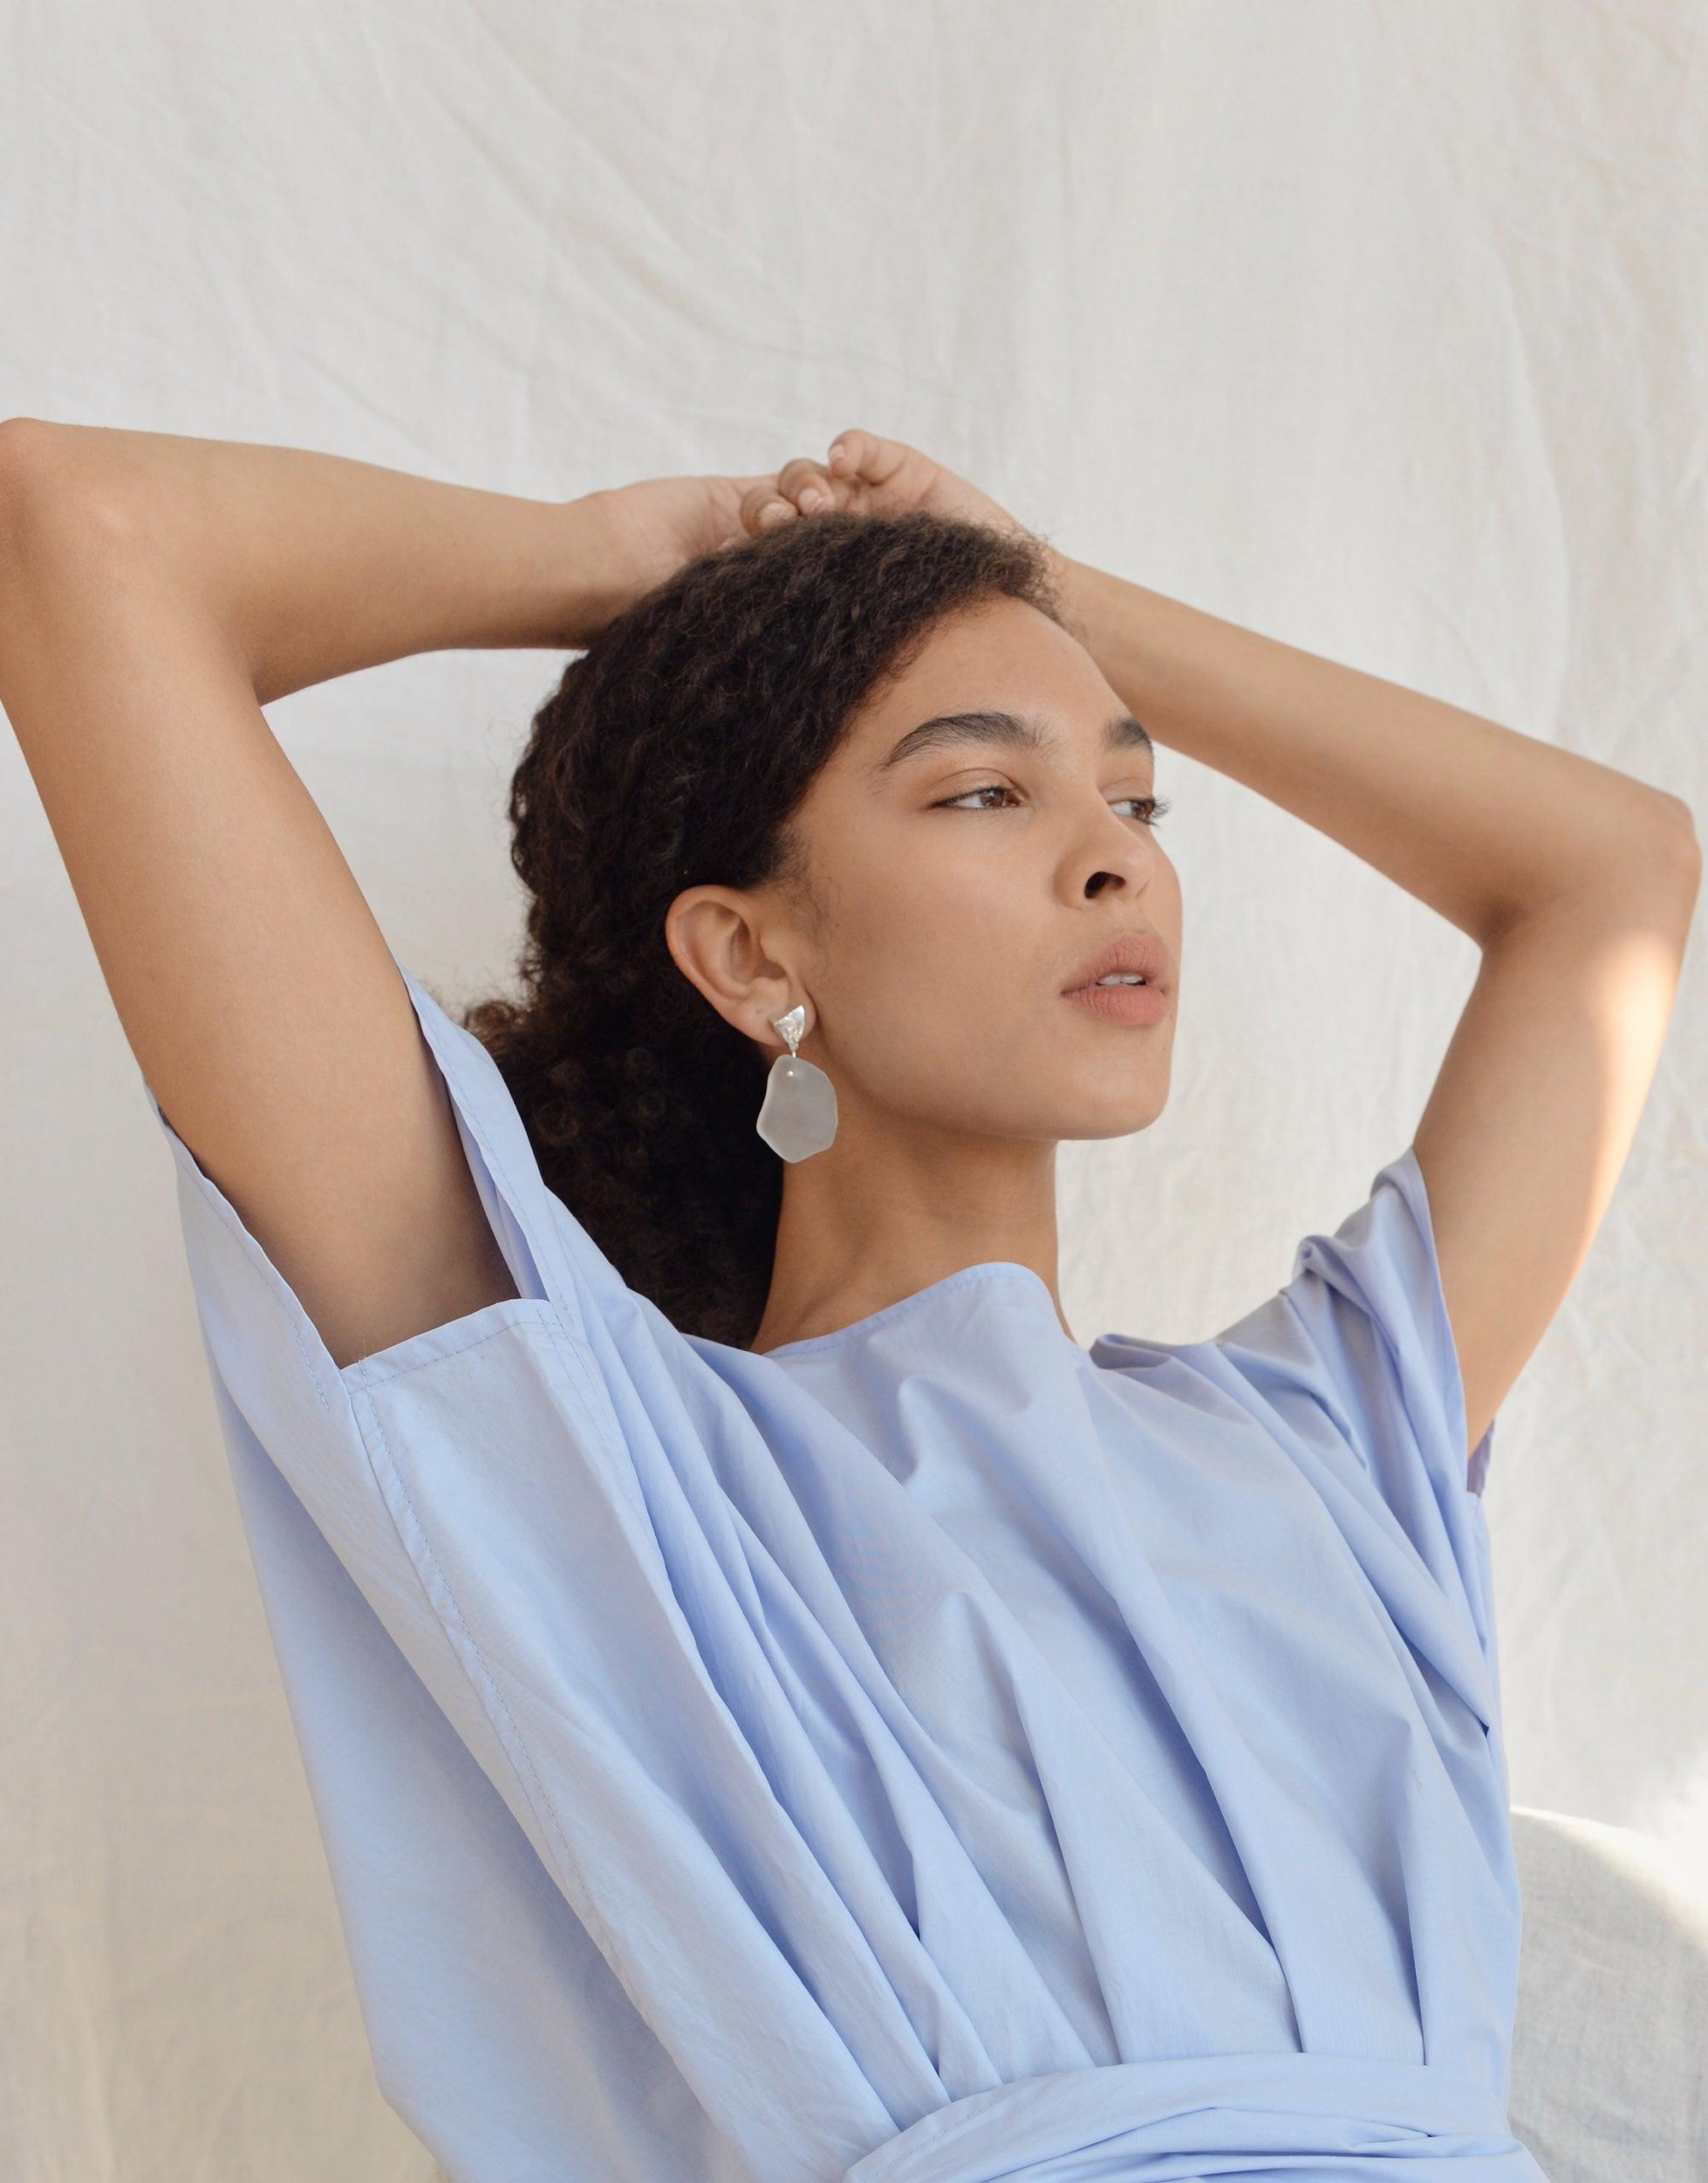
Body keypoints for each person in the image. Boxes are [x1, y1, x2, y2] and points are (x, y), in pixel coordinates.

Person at [3, 418, 1697, 2180]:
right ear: (750, 956)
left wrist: (1035, 588)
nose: (1113, 858)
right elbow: (83, 528)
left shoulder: (1329, 1442)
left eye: (1133, 793)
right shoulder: (606, 1470)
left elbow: (1617, 876)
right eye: (984, 790)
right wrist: (610, 554)